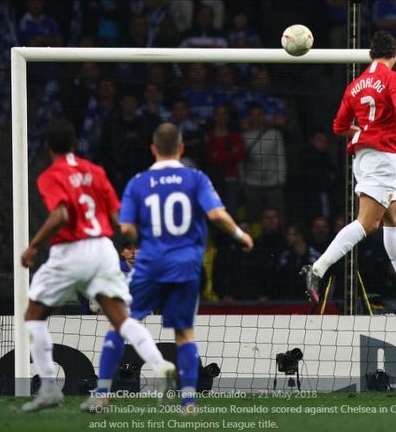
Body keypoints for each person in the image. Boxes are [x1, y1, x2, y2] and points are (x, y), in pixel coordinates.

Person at [82, 123, 253, 414]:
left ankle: (101, 392)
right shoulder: (195, 178)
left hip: (149, 263)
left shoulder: (138, 181)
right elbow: (215, 214)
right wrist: (240, 235)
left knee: (118, 325)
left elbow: (125, 227)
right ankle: (188, 401)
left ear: (153, 149)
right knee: (184, 334)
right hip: (184, 264)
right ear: (181, 148)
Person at [20, 120, 175, 412]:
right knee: (121, 318)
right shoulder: (95, 172)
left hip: (71, 250)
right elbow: (118, 217)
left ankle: (50, 388)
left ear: (47, 147)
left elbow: (62, 214)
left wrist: (34, 245)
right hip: (103, 247)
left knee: (34, 315)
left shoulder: (50, 175)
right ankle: (161, 365)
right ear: (76, 144)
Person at [301, 31, 396, 308]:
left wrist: (364, 130)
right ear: (393, 55)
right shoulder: (395, 80)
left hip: (365, 155)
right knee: (368, 223)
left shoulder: (356, 85)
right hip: (382, 155)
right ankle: (317, 269)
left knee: (394, 218)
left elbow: (339, 127)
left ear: (371, 55)